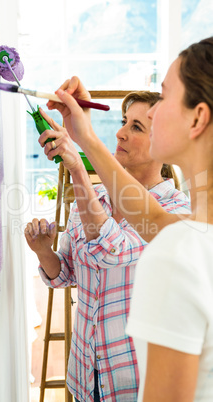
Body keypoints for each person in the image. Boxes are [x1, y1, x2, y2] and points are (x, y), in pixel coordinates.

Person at [43, 37, 213, 401]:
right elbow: (148, 215)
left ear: (198, 118)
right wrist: (84, 136)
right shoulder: (189, 230)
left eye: (163, 98)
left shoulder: (177, 253)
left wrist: (80, 152)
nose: (151, 112)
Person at [25, 91, 190, 401]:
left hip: (135, 380)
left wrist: (77, 168)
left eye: (137, 127)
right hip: (85, 375)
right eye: (123, 121)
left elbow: (109, 251)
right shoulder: (95, 198)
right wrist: (44, 252)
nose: (120, 132)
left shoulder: (178, 213)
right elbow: (69, 273)